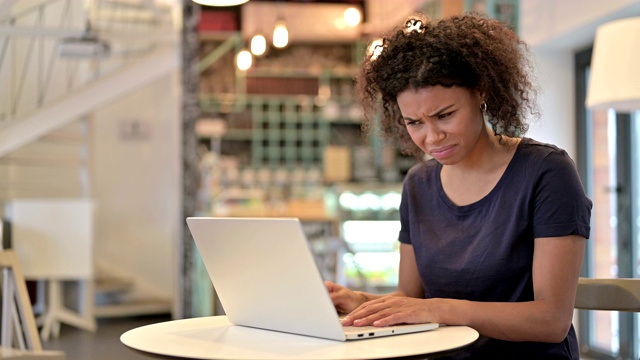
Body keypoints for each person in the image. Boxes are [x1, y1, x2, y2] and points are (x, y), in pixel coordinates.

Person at [325, 13, 592, 359]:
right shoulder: (418, 184)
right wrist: (361, 302)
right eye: (414, 123)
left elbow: (551, 320)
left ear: (480, 91)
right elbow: (414, 299)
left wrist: (440, 310)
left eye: (445, 115)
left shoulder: (545, 173)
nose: (432, 137)